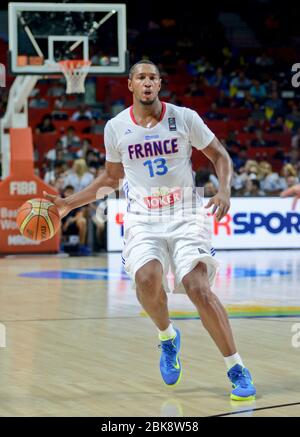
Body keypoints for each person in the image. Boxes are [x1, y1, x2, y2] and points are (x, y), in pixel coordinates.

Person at [44, 60, 256, 401]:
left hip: (186, 210)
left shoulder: (184, 117)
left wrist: (225, 189)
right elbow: (112, 179)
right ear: (130, 84)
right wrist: (68, 203)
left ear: (160, 84)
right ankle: (167, 337)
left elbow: (219, 156)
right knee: (146, 279)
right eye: (141, 77)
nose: (147, 82)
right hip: (143, 215)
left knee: (197, 287)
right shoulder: (115, 127)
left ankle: (236, 367)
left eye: (153, 77)